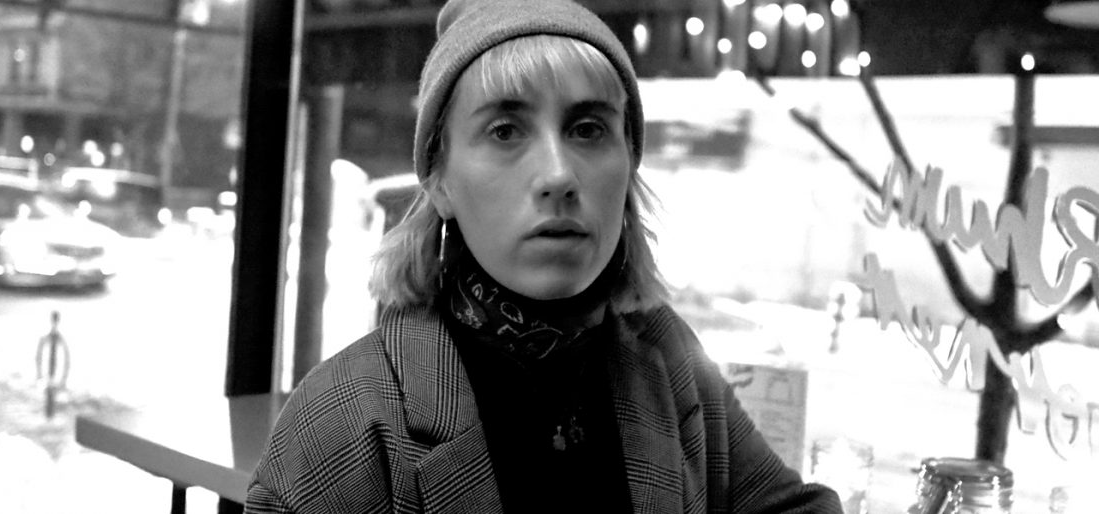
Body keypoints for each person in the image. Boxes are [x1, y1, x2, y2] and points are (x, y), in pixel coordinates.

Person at [247, 0, 843, 512]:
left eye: (588, 129)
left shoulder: (667, 358)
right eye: (505, 130)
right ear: (439, 180)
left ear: (628, 168)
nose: (558, 175)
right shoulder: (342, 426)